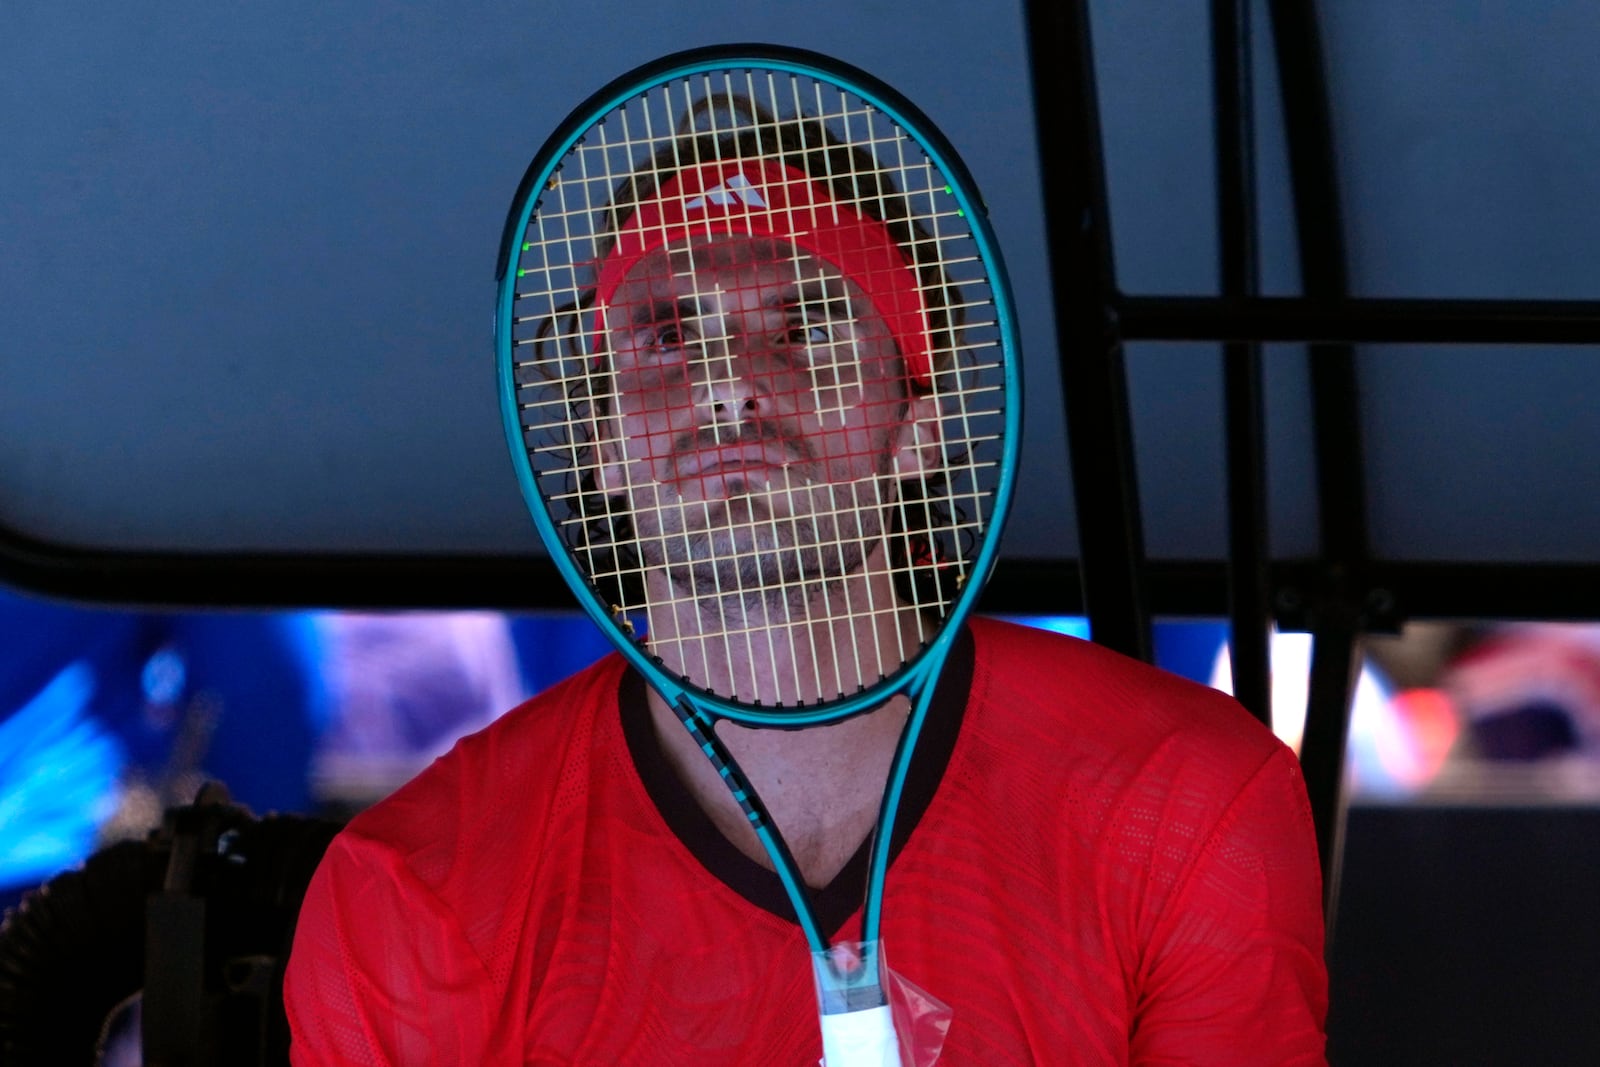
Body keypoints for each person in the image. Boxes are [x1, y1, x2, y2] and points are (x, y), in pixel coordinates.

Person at [284, 94, 1328, 1065]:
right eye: (666, 331)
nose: (728, 381)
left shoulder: (1184, 801)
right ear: (600, 440)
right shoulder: (421, 880)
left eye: (807, 326)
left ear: (920, 426)